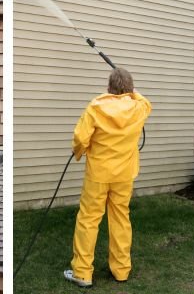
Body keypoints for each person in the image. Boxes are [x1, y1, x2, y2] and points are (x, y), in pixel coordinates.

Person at [64, 68, 152, 288]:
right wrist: (133, 92)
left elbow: (80, 137)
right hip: (124, 175)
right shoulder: (139, 107)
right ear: (130, 89)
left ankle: (83, 273)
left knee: (89, 219)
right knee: (121, 218)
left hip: (99, 174)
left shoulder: (96, 106)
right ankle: (121, 271)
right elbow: (145, 101)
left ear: (109, 87)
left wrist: (80, 151)